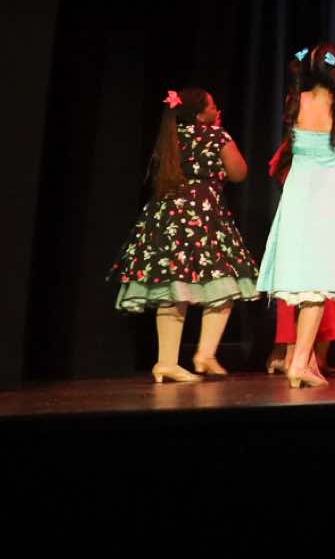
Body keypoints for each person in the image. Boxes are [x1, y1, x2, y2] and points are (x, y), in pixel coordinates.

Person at [109, 87, 258, 382]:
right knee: (224, 281)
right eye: (212, 106)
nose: (217, 110)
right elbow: (239, 172)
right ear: (201, 114)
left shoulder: (169, 137)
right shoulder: (216, 136)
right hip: (202, 217)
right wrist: (219, 134)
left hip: (166, 217)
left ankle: (167, 361)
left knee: (171, 287)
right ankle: (204, 353)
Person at [257, 44, 335, 388]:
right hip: (330, 198)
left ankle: (302, 359)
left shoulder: (294, 101)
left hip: (299, 195)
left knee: (306, 282)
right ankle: (299, 363)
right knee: (318, 283)